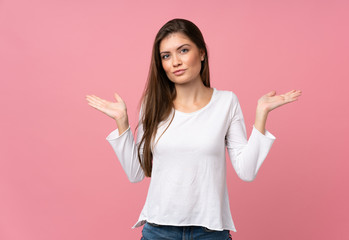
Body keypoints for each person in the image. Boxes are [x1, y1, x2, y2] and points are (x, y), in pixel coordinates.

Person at [85, 18, 301, 240]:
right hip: (158, 230)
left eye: (183, 50)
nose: (175, 62)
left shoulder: (226, 102)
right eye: (166, 56)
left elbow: (247, 171)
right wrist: (122, 121)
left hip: (210, 232)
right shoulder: (153, 103)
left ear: (202, 53)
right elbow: (136, 173)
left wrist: (261, 114)